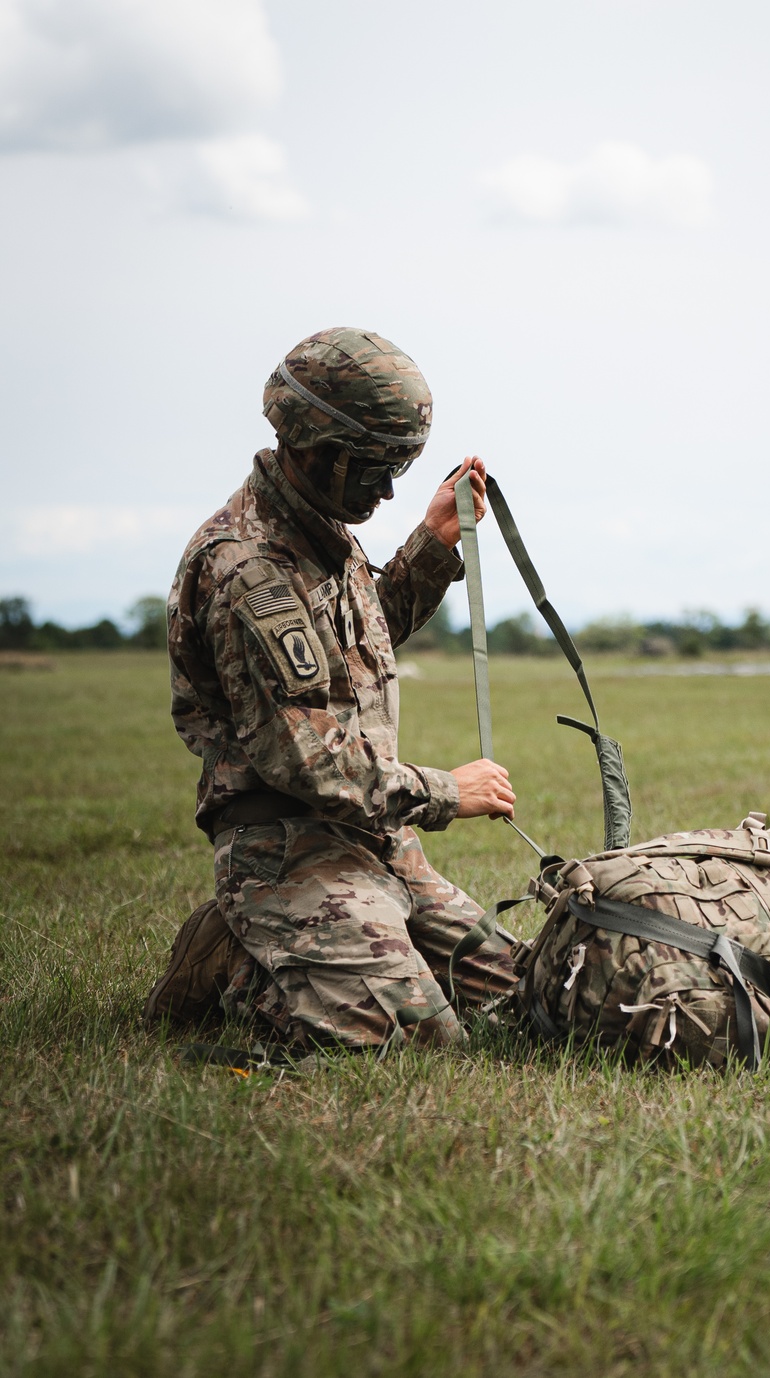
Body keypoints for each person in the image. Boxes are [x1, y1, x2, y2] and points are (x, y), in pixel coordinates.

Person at [144, 328, 520, 1050]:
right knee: (411, 1035)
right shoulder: (249, 569)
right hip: (286, 844)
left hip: (373, 837)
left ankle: (320, 943)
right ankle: (235, 959)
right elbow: (307, 761)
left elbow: (360, 640)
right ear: (315, 446)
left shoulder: (323, 529)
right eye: (373, 468)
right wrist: (448, 791)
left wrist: (431, 543)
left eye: (397, 470)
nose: (384, 489)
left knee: (521, 1002)